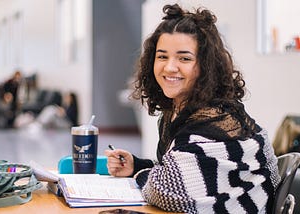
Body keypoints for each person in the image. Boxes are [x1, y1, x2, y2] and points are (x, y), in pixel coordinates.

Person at [105, 4, 280, 213]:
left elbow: (165, 191)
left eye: (184, 58)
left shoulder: (212, 123)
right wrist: (138, 165)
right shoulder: (180, 111)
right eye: (162, 56)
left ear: (205, 66)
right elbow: (188, 169)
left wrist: (139, 175)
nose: (169, 67)